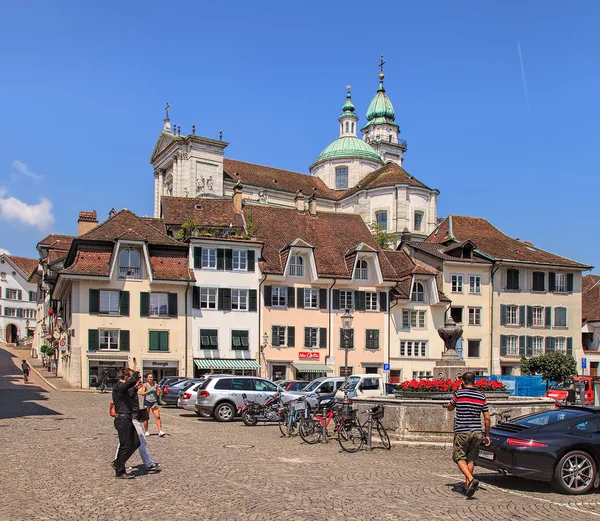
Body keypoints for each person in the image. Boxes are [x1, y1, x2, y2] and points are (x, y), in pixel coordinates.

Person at [445, 372, 491, 497]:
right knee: (471, 459)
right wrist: (486, 434)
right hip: (476, 431)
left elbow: (450, 407)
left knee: (459, 457)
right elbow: (487, 417)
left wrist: (458, 390)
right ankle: (467, 487)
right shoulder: (481, 396)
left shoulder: (459, 394)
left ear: (463, 381)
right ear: (474, 381)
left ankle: (470, 480)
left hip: (462, 431)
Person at [115, 376, 160, 473]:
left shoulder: (131, 391)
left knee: (123, 442)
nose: (139, 384)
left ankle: (118, 462)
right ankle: (148, 463)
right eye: (138, 382)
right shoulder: (128, 391)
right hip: (131, 419)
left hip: (133, 417)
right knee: (140, 441)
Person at [112, 367, 141, 479]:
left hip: (127, 418)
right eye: (129, 376)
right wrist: (136, 373)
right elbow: (130, 383)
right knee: (125, 445)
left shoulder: (123, 389)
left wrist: (135, 389)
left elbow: (128, 396)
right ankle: (119, 470)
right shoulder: (119, 386)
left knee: (136, 442)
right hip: (122, 419)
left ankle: (118, 462)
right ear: (125, 377)